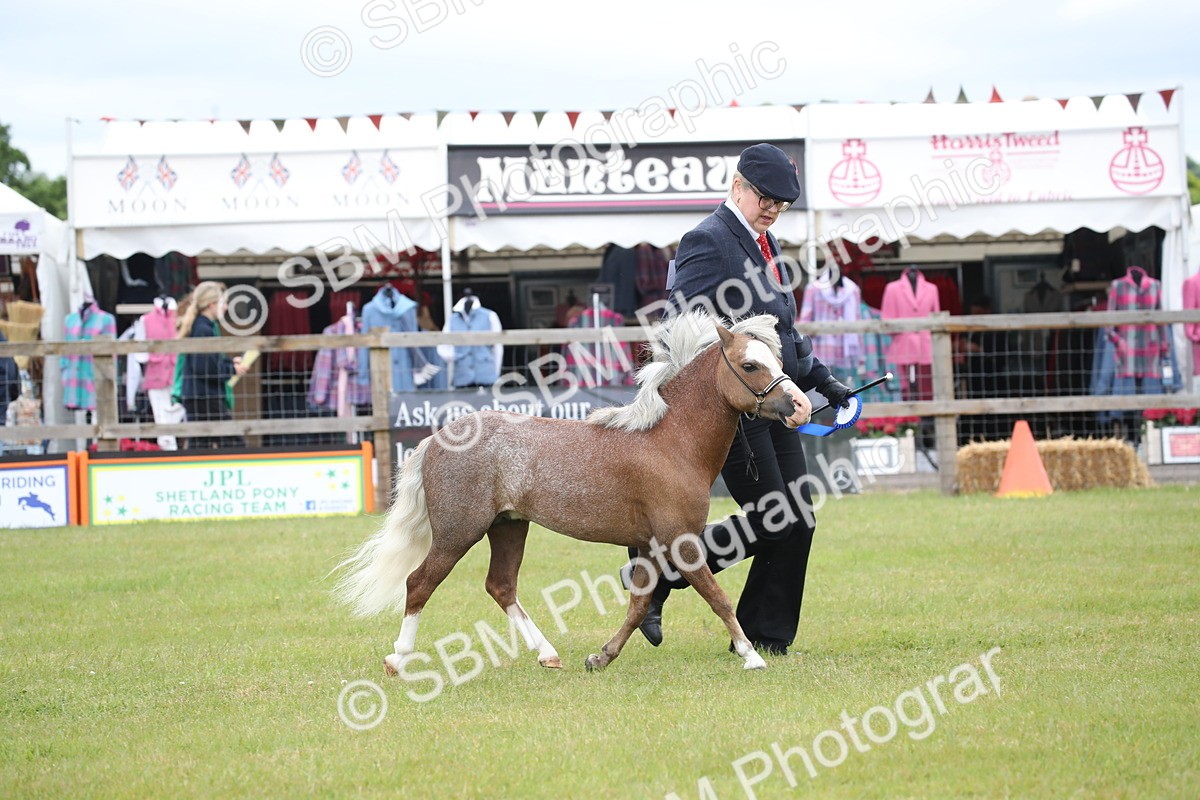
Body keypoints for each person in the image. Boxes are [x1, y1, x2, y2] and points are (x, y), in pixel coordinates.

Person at [622, 143, 852, 656]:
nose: (772, 209)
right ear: (737, 186)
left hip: (775, 399)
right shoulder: (708, 240)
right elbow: (679, 326)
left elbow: (782, 333)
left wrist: (823, 380)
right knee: (776, 517)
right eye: (764, 198)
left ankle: (765, 638)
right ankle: (662, 569)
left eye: (781, 203)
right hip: (734, 409)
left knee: (798, 518)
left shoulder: (765, 244)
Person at [175, 281, 248, 449]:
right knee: (233, 444)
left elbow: (206, 362)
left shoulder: (201, 326)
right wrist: (232, 369)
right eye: (223, 303)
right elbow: (204, 368)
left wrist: (229, 363)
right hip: (205, 396)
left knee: (201, 445)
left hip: (198, 395)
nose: (226, 307)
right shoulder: (204, 329)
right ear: (211, 304)